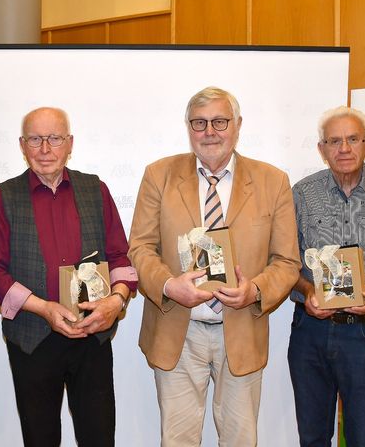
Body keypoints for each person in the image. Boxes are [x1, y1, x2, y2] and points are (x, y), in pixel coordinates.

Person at [128, 86, 300, 446]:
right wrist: (168, 286)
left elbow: (287, 262)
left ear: (237, 125)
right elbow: (141, 248)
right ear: (188, 128)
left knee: (240, 440)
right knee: (177, 440)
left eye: (220, 121)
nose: (210, 131)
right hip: (178, 328)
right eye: (200, 123)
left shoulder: (273, 181)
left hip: (240, 331)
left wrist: (254, 291)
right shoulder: (158, 174)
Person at [0, 107, 138, 447]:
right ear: (23, 145)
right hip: (33, 339)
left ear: (70, 143)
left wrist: (116, 300)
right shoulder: (3, 197)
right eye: (36, 140)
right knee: (40, 439)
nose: (45, 149)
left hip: (93, 336)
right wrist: (43, 309)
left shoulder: (95, 189)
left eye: (54, 139)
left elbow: (120, 257)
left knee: (98, 438)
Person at [287, 106, 365, 447]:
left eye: (353, 139)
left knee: (362, 437)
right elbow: (284, 262)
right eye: (334, 140)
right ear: (322, 148)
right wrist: (307, 290)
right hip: (310, 331)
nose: (344, 148)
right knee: (312, 436)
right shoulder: (301, 193)